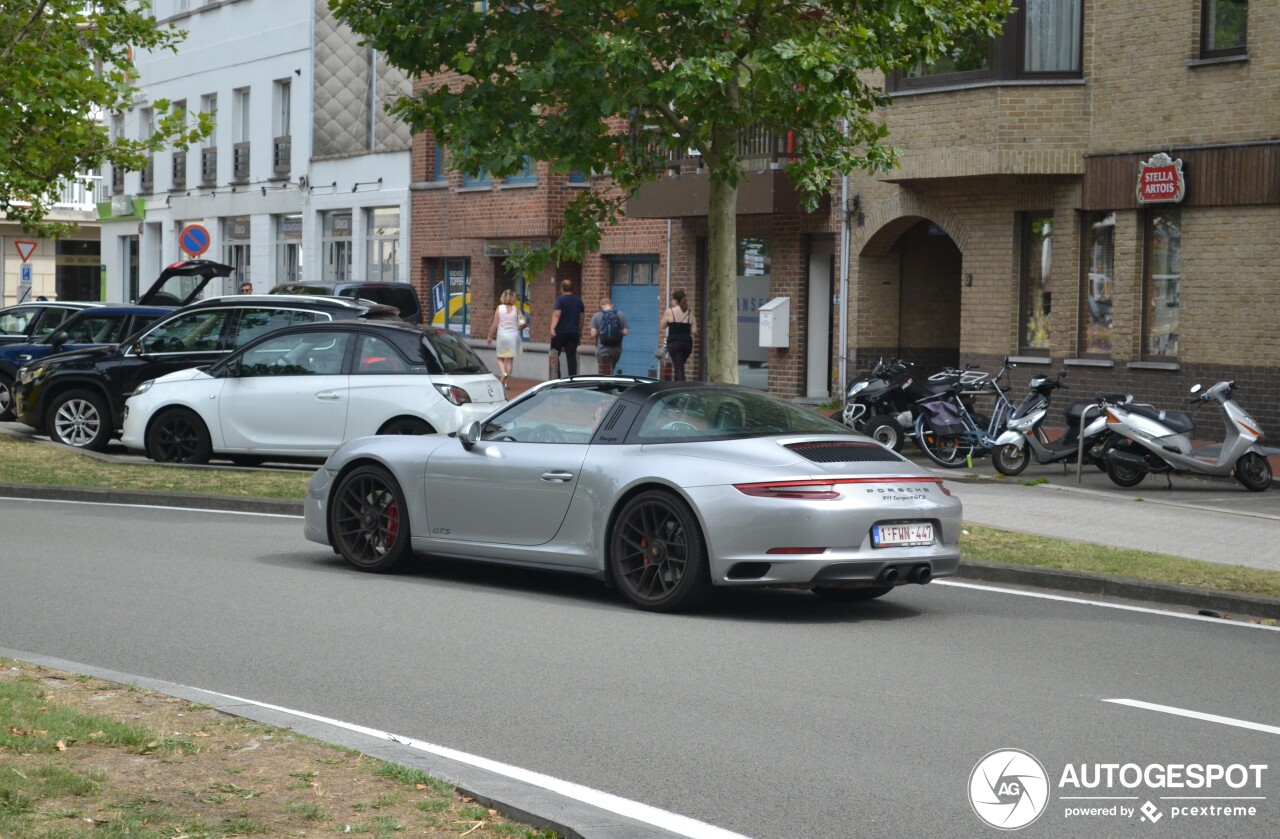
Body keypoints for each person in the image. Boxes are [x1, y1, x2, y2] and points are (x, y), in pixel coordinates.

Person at [486, 289, 526, 392]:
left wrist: (490, 336)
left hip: (502, 336)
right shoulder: (516, 309)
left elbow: (495, 324)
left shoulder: (499, 308)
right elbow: (524, 321)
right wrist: (519, 327)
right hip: (513, 336)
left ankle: (503, 373)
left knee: (500, 358)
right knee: (509, 360)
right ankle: (506, 382)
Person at [549, 279, 584, 377]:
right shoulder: (578, 300)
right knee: (572, 356)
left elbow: (557, 314)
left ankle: (556, 377)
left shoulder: (560, 300)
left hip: (560, 332)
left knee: (554, 354)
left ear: (562, 288)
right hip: (573, 332)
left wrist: (552, 328)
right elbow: (582, 318)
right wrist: (579, 331)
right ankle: (572, 378)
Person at [659, 289, 696, 381]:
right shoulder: (690, 313)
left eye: (672, 300)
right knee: (679, 366)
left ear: (675, 300)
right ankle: (676, 387)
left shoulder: (670, 311)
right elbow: (694, 330)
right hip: (687, 343)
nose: (671, 302)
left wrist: (671, 324)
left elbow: (663, 326)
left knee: (679, 368)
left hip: (674, 342)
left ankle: (681, 389)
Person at [588, 297, 629, 375]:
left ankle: (605, 386)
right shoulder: (620, 314)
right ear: (612, 305)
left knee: (604, 374)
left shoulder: (596, 316)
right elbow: (625, 332)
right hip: (616, 350)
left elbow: (592, 334)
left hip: (602, 350)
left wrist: (600, 332)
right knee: (610, 371)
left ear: (601, 306)